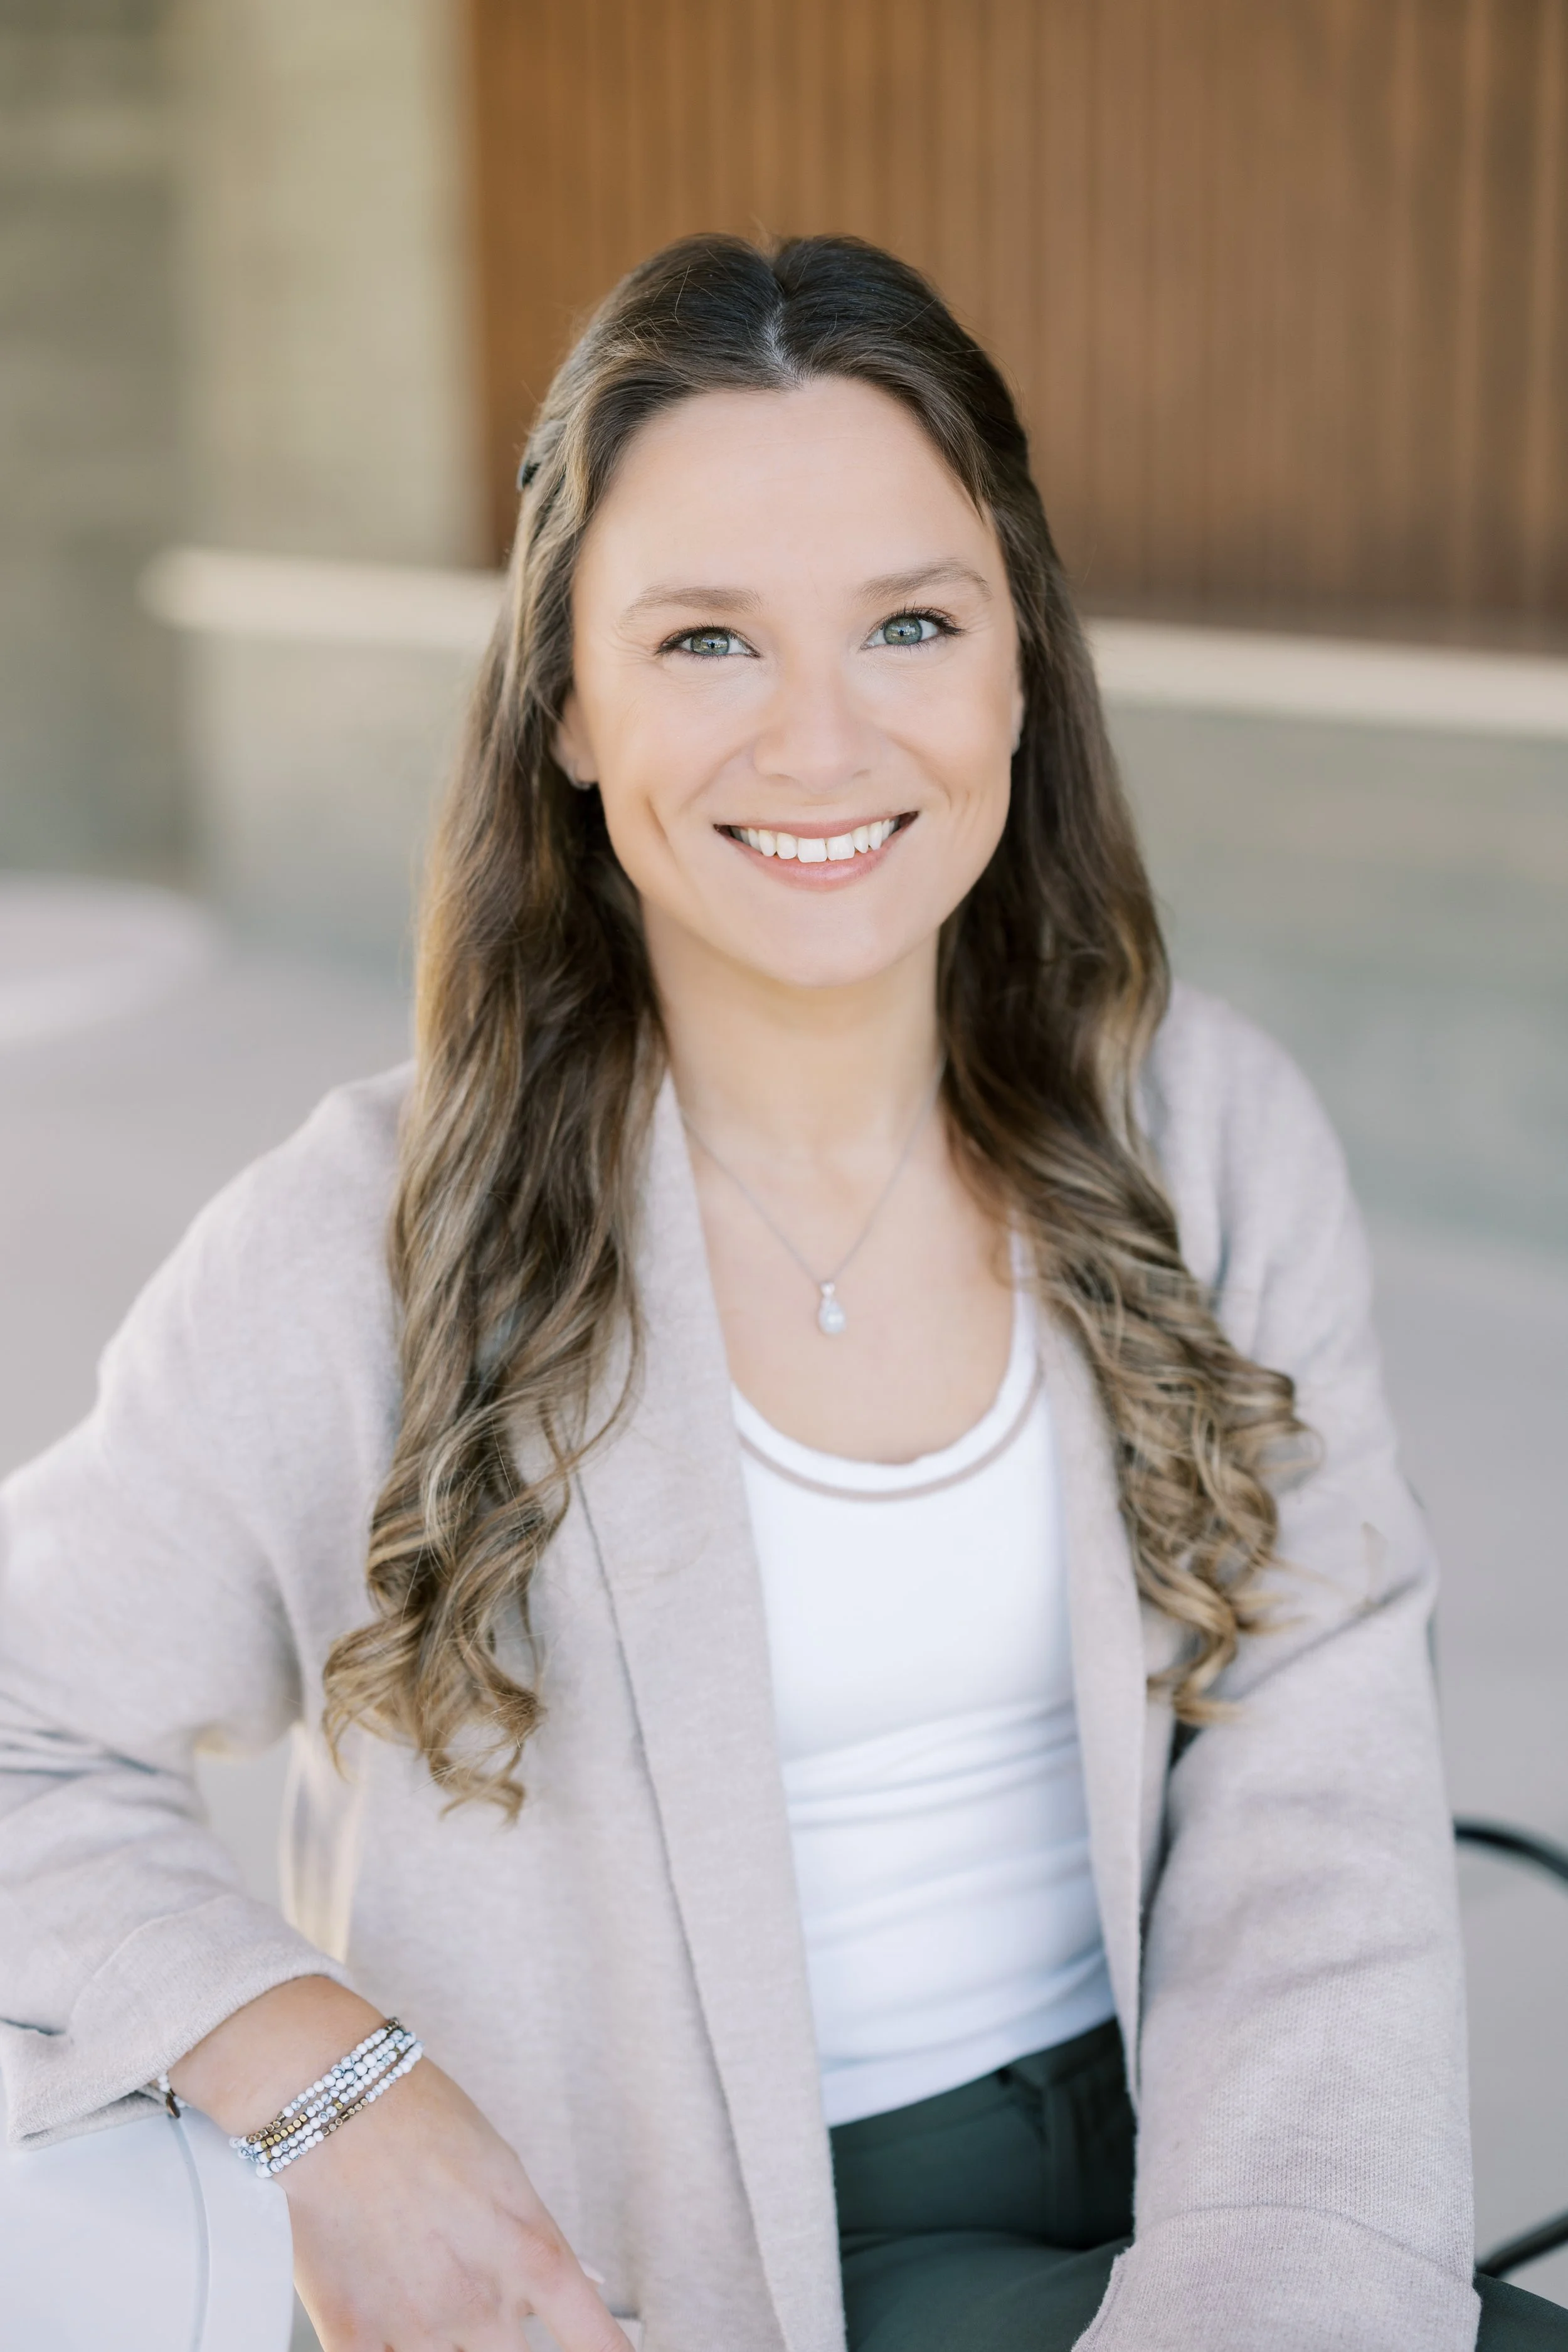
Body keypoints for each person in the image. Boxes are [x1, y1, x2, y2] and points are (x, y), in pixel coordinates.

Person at [0, 233, 1560, 2352]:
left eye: (910, 622)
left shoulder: (1208, 1137)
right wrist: (326, 2088)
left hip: (1198, 2185)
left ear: (1020, 669)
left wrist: (1272, 2284)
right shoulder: (358, 1242)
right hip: (657, 2269)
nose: (820, 741)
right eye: (707, 639)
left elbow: (1318, 1776)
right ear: (566, 697)